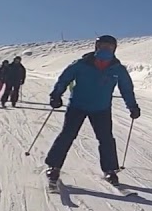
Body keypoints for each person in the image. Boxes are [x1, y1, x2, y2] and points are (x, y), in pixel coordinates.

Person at [44, 35, 140, 186]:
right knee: (67, 135)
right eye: (103, 46)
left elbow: (126, 89)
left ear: (114, 49)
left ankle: (110, 170)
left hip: (101, 109)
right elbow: (64, 79)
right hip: (77, 106)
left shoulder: (118, 69)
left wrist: (132, 106)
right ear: (96, 47)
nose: (106, 49)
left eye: (109, 47)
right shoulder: (81, 64)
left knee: (106, 139)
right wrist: (56, 95)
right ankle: (54, 166)